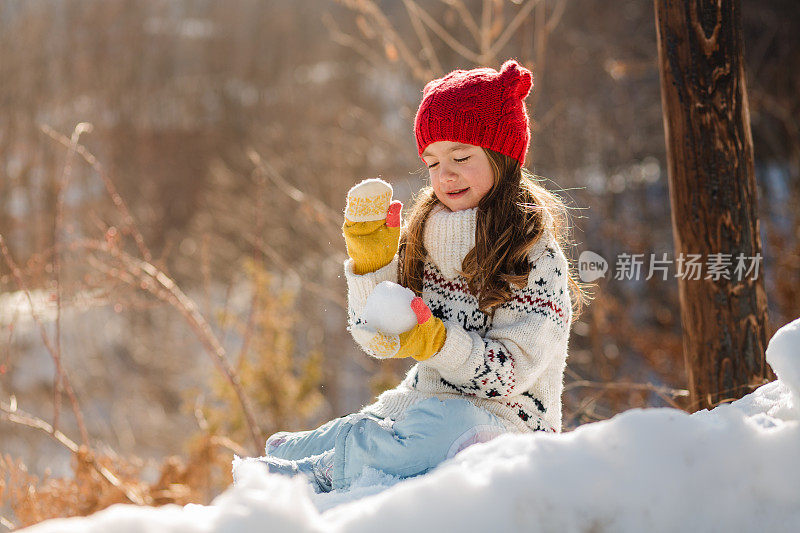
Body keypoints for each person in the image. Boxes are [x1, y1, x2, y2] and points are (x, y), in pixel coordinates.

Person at [232, 59, 585, 493]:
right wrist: (371, 264)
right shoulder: (426, 233)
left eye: (461, 157)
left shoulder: (533, 255)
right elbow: (376, 337)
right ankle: (296, 456)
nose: (445, 175)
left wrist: (436, 342)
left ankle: (323, 472)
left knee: (442, 427)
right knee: (394, 423)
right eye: (432, 162)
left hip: (505, 425)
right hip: (425, 405)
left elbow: (507, 378)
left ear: (503, 156)